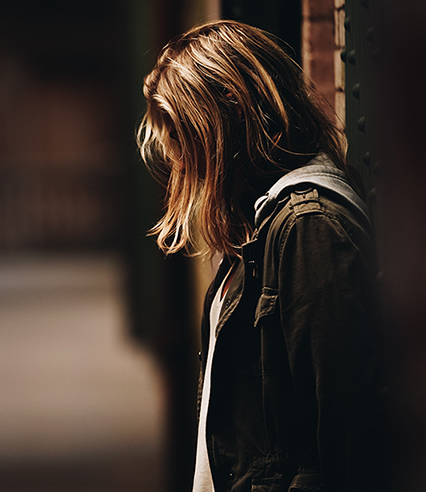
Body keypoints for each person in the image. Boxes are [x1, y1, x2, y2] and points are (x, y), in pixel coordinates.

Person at [138, 21, 386, 492]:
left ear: (228, 113)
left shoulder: (307, 226)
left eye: (185, 136)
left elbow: (348, 437)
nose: (180, 161)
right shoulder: (263, 224)